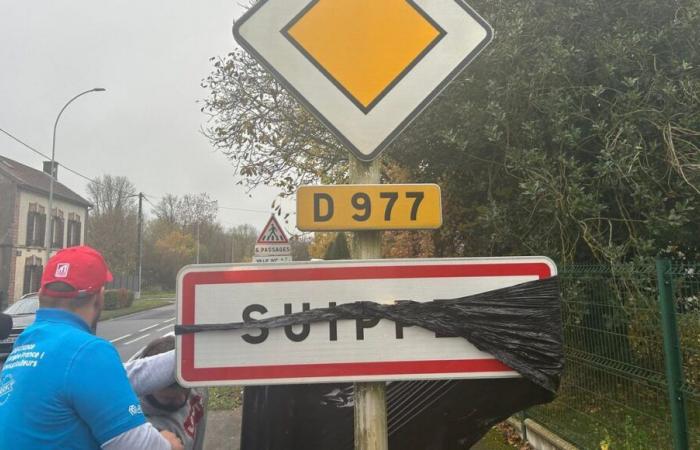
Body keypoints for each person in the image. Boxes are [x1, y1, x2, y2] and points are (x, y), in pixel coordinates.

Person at [0, 246, 183, 450]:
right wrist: (169, 444)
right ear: (99, 296)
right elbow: (139, 446)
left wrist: (190, 356)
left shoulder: (29, 341)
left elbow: (120, 378)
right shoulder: (87, 351)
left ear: (42, 294)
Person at [138, 336, 208, 450]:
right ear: (148, 390)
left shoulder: (192, 377)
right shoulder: (145, 432)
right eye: (168, 398)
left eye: (186, 392)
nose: (181, 400)